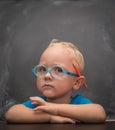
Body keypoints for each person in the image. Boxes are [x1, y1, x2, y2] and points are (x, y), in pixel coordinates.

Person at [5, 39, 106, 123]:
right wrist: (49, 117)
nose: (47, 75)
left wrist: (55, 109)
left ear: (76, 83)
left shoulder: (78, 102)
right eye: (43, 69)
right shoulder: (39, 103)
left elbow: (99, 113)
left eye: (58, 70)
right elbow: (11, 113)